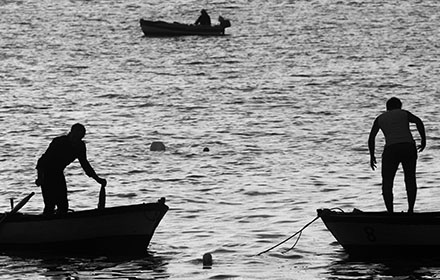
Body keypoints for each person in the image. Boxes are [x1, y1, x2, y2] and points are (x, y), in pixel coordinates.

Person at [368, 97, 426, 213]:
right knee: (410, 178)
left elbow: (371, 138)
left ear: (387, 107)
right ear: (400, 106)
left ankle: (390, 212)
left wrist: (372, 155)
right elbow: (418, 121)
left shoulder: (380, 118)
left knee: (387, 182)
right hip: (408, 147)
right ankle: (410, 210)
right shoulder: (404, 114)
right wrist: (423, 140)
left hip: (391, 149)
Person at [35, 123, 107, 215]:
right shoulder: (59, 142)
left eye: (80, 137)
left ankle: (61, 224)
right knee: (50, 205)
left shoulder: (80, 146)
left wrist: (98, 179)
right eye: (76, 136)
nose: (77, 139)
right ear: (71, 133)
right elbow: (42, 161)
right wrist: (40, 177)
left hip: (58, 173)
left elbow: (85, 165)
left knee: (63, 205)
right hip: (46, 173)